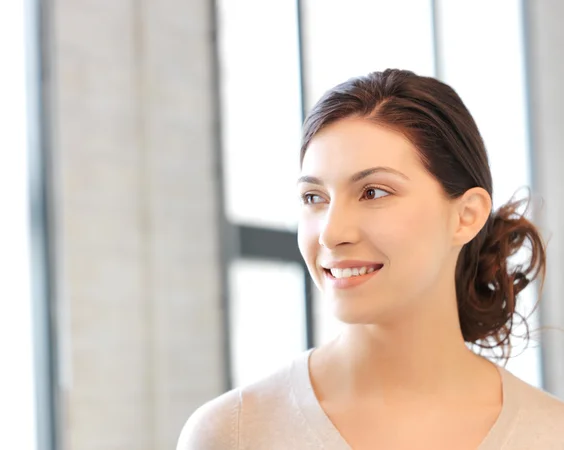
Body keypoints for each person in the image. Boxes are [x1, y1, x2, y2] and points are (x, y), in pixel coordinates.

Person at [176, 69, 564, 449]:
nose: (331, 232)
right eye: (314, 198)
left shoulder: (550, 434)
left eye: (373, 193)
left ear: (466, 216)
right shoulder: (234, 434)